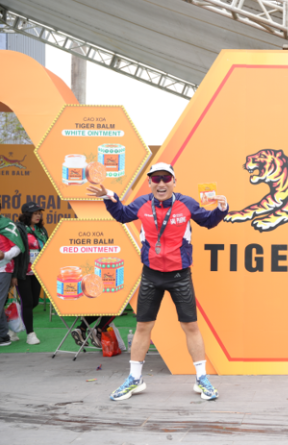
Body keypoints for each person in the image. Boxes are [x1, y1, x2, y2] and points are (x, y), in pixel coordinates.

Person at [87, 162, 228, 401]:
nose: (161, 183)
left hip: (179, 275)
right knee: (143, 327)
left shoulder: (187, 203)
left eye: (166, 178)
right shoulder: (142, 203)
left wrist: (222, 209)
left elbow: (207, 221)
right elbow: (122, 215)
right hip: (151, 274)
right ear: (150, 182)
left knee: (191, 326)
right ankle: (135, 379)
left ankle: (202, 378)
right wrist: (109, 197)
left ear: (174, 181)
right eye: (156, 179)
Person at [12, 202, 49, 345]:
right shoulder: (19, 229)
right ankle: (30, 334)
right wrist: (14, 274)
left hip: (37, 271)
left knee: (34, 302)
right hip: (23, 271)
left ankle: (13, 323)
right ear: (27, 215)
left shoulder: (41, 230)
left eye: (39, 213)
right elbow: (15, 253)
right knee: (27, 302)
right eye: (35, 213)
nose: (38, 216)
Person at [0, 201, 25, 346]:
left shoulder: (7, 225)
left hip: (3, 269)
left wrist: (5, 255)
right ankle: (3, 336)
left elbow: (18, 247)